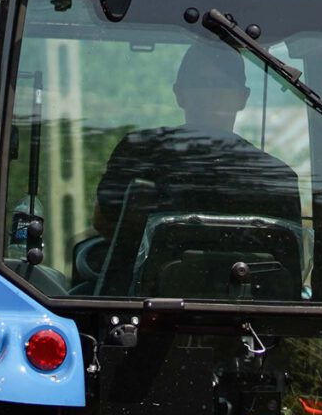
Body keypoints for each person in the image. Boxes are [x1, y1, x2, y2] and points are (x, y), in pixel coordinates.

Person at [91, 47, 304, 274]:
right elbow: (292, 261)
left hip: (143, 304)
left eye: (221, 85)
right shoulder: (276, 175)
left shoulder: (139, 150)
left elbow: (103, 223)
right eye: (202, 84)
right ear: (180, 93)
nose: (211, 95)